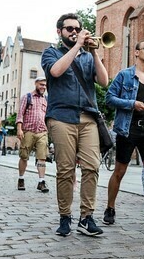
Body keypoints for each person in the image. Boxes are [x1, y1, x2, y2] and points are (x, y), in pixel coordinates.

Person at [42, 12, 108, 237]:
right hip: (61, 117)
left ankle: (86, 216)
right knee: (66, 170)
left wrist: (94, 52)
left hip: (88, 117)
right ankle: (64, 216)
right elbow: (56, 71)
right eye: (69, 29)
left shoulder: (87, 56)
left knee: (92, 166)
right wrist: (77, 46)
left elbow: (104, 81)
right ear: (59, 31)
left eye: (77, 29)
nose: (74, 32)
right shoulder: (50, 52)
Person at [104, 40, 144, 231]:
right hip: (128, 128)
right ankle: (110, 207)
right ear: (136, 52)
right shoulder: (125, 75)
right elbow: (110, 98)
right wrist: (132, 103)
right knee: (120, 171)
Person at [16, 77, 50, 193]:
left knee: (42, 158)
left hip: (42, 132)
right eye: (41, 85)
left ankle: (41, 182)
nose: (43, 87)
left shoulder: (46, 99)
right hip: (28, 131)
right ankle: (21, 179)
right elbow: (20, 114)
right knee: (24, 156)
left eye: (45, 85)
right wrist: (19, 129)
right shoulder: (27, 97)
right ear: (36, 84)